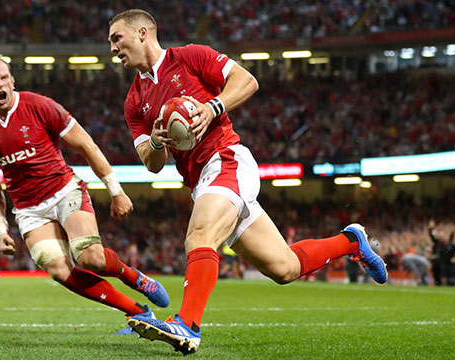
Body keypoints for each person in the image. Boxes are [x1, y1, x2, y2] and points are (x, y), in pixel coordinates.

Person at [108, 9, 388, 354]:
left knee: (199, 235)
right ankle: (351, 241)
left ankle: (187, 325)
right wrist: (154, 140)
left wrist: (212, 108)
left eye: (116, 38)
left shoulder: (190, 56)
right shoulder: (134, 100)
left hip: (226, 159)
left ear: (142, 33)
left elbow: (247, 81)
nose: (112, 48)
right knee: (284, 268)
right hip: (201, 183)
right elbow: (151, 165)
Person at [0, 54, 169, 331]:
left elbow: (86, 145)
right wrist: (1, 230)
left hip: (64, 190)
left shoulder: (41, 106)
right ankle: (137, 311)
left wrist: (116, 191)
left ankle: (134, 277)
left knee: (90, 258)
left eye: (4, 78)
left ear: (13, 81)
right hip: (29, 209)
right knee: (59, 270)